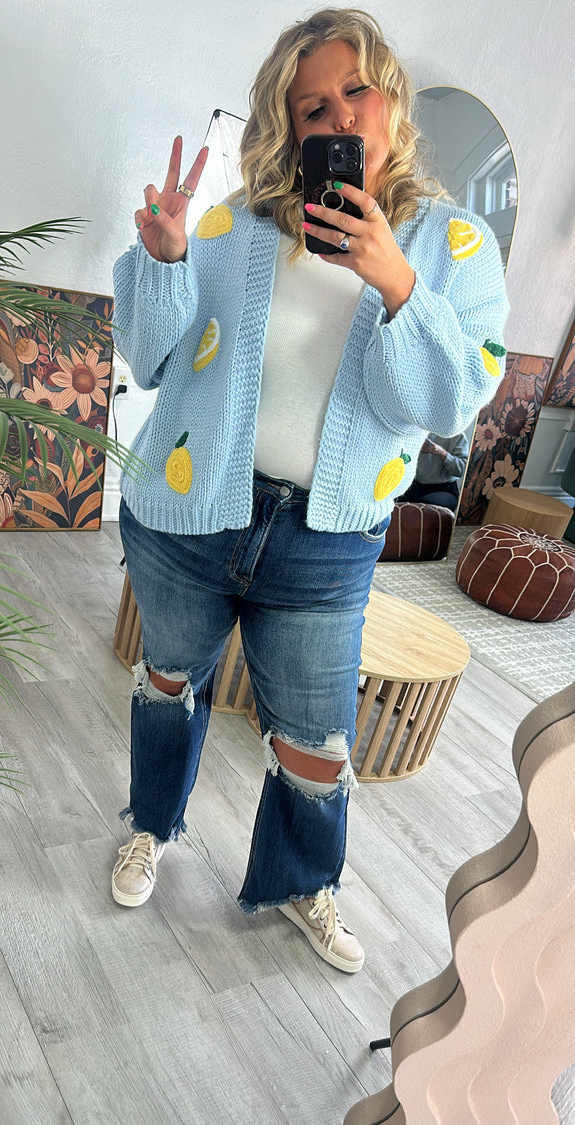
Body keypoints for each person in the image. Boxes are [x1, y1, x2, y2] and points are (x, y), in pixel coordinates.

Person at [110, 8, 508, 973]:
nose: (339, 116)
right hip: (189, 514)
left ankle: (299, 883)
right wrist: (164, 261)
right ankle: (151, 826)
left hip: (324, 543)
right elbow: (150, 359)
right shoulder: (235, 224)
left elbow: (450, 404)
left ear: (392, 99)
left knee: (316, 741)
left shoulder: (455, 248)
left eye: (355, 91)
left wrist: (395, 280)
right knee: (169, 682)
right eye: (313, 106)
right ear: (289, 127)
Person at [398, 431, 469, 510]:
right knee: (393, 502)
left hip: (443, 489)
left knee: (423, 508)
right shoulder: (414, 430)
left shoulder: (457, 435)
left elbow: (461, 470)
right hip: (414, 485)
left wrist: (443, 453)